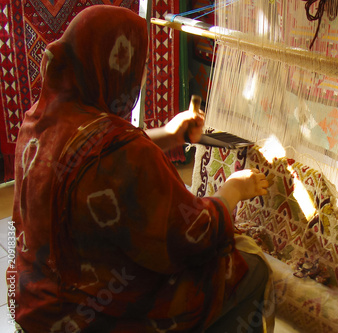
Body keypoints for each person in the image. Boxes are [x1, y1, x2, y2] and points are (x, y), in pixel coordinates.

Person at [9, 5, 271, 332]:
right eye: (141, 64)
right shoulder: (125, 154)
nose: (143, 73)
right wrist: (233, 190)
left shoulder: (39, 121)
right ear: (116, 65)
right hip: (94, 318)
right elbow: (194, 235)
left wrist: (169, 134)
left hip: (37, 305)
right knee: (249, 267)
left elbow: (89, 158)